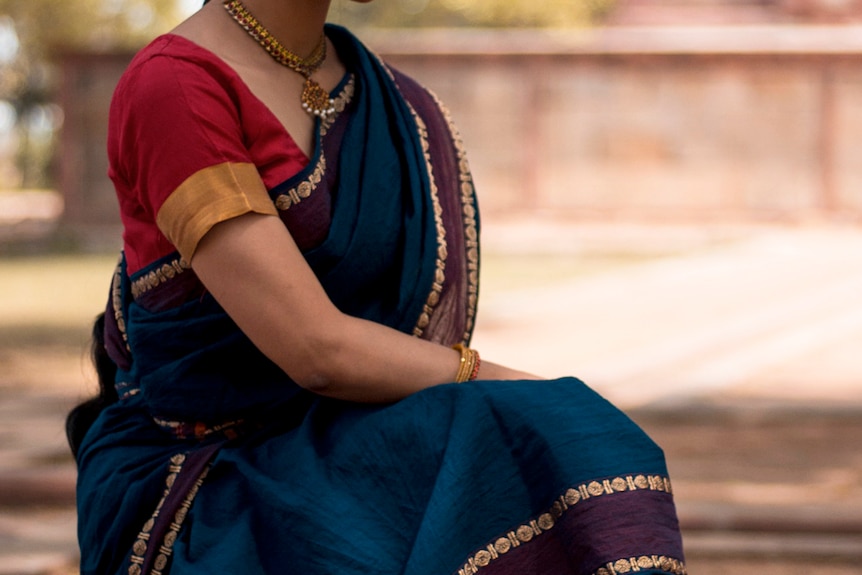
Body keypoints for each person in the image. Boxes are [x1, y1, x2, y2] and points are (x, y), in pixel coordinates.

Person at [67, 0, 687, 573]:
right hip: (215, 478)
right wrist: (515, 385)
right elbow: (315, 351)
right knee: (570, 433)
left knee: (573, 456)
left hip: (367, 441)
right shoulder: (175, 86)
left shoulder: (395, 104)